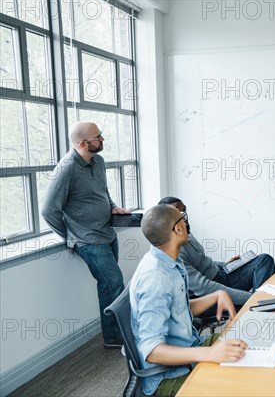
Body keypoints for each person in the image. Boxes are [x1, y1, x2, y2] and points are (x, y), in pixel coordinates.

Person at [130, 204, 247, 396]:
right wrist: (208, 353)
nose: (186, 221)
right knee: (238, 385)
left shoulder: (171, 262)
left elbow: (178, 310)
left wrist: (216, 296)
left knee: (248, 346)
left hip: (192, 350)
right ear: (177, 229)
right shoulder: (155, 277)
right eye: (182, 217)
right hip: (170, 378)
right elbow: (151, 351)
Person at [42, 121, 130, 349]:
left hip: (108, 234)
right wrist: (71, 235)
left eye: (101, 135)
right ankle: (114, 337)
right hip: (88, 240)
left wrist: (114, 207)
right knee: (114, 283)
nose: (102, 140)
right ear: (82, 143)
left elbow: (103, 192)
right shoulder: (66, 169)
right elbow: (49, 210)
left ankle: (116, 332)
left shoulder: (98, 161)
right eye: (97, 138)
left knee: (109, 286)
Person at [157, 197, 275, 308]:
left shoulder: (185, 231)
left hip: (220, 273)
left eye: (184, 212)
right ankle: (261, 305)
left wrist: (224, 264)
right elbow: (204, 287)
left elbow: (200, 260)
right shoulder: (175, 252)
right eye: (179, 214)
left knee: (264, 259)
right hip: (207, 292)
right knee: (262, 267)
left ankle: (260, 306)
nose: (185, 218)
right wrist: (252, 298)